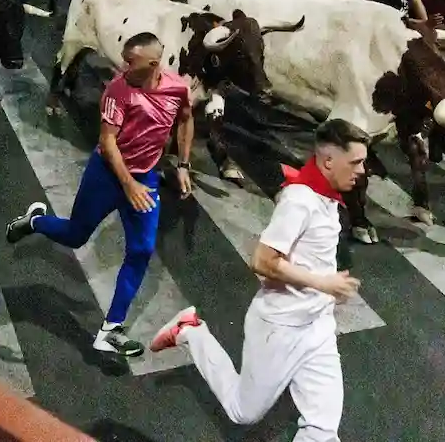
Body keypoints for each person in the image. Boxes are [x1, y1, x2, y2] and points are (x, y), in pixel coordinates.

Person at [149, 119, 369, 442]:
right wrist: (323, 283)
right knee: (243, 411)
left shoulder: (326, 196)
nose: (362, 170)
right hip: (280, 328)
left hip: (317, 327)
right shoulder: (300, 201)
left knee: (323, 428)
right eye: (356, 162)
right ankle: (191, 332)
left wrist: (325, 290)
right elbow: (262, 261)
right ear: (328, 161)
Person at [5, 31, 194, 358]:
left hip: (144, 177)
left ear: (152, 63)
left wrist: (183, 164)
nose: (122, 64)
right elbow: (108, 143)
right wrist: (129, 185)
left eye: (129, 60)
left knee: (142, 249)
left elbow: (186, 120)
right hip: (107, 175)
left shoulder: (177, 88)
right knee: (76, 235)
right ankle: (35, 222)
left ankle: (111, 330)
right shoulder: (117, 90)